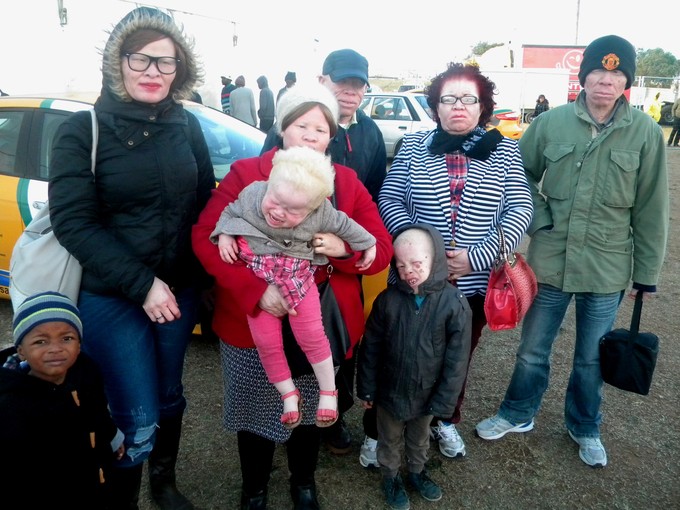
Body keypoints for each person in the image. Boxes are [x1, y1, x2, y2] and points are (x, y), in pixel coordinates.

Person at [191, 83, 393, 510]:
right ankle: (255, 487)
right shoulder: (248, 174)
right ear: (284, 127)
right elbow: (206, 237)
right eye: (302, 124)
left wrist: (343, 250)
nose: (310, 135)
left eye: (321, 129)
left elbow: (380, 248)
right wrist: (255, 291)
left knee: (308, 412)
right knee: (253, 410)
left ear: (330, 136)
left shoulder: (346, 183)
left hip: (315, 319)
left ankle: (304, 481)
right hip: (251, 319)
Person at [48, 7, 215, 509]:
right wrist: (142, 284)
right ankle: (120, 493)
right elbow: (74, 222)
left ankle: (162, 481)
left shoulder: (186, 126)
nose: (152, 72)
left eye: (166, 63)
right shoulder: (83, 130)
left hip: (178, 290)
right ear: (116, 63)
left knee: (169, 395)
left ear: (180, 72)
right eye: (140, 59)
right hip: (111, 293)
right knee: (136, 409)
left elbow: (204, 202)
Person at [476, 35, 669, 468]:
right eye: (597, 72)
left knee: (589, 358)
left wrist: (647, 274)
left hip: (608, 264)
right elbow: (518, 175)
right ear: (583, 77)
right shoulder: (551, 123)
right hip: (551, 260)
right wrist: (539, 218)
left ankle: (584, 425)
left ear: (627, 83)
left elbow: (652, 206)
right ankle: (517, 413)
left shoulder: (645, 133)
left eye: (616, 74)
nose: (605, 81)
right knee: (532, 349)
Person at [377, 62, 533, 466]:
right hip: (414, 277)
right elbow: (389, 200)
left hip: (474, 282)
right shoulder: (413, 146)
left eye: (468, 99)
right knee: (401, 352)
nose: (458, 106)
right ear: (435, 106)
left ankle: (444, 419)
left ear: (483, 107)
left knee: (456, 356)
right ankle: (386, 429)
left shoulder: (505, 149)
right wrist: (418, 251)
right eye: (449, 98)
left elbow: (519, 208)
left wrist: (475, 257)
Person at [210, 145, 377, 429]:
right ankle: (288, 393)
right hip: (260, 279)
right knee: (266, 341)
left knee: (312, 335)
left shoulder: (323, 212)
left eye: (293, 210)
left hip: (298, 280)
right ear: (269, 184)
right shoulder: (254, 193)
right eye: (275, 201)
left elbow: (350, 227)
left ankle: (328, 391)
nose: (278, 212)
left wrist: (367, 245)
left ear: (314, 206)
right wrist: (224, 234)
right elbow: (230, 212)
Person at [357, 224, 472, 510]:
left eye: (417, 263)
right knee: (389, 438)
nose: (409, 270)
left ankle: (418, 473)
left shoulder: (454, 304)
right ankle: (391, 477)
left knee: (419, 439)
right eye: (401, 264)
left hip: (427, 395)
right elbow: (370, 348)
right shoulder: (387, 301)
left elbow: (457, 361)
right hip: (389, 392)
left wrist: (445, 401)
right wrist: (367, 389)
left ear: (435, 260)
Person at [1, 291, 125, 510]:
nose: (56, 348)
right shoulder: (9, 403)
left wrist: (112, 436)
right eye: (40, 341)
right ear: (21, 351)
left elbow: (97, 410)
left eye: (67, 338)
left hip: (94, 480)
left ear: (79, 344)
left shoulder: (87, 371)